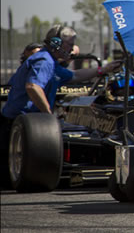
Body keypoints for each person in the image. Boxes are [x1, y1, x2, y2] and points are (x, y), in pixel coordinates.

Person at [1, 26, 121, 187]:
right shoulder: (44, 60)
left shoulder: (52, 63)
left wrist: (102, 70)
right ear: (56, 43)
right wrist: (48, 116)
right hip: (18, 124)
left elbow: (76, 75)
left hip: (29, 124)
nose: (72, 47)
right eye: (69, 44)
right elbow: (33, 87)